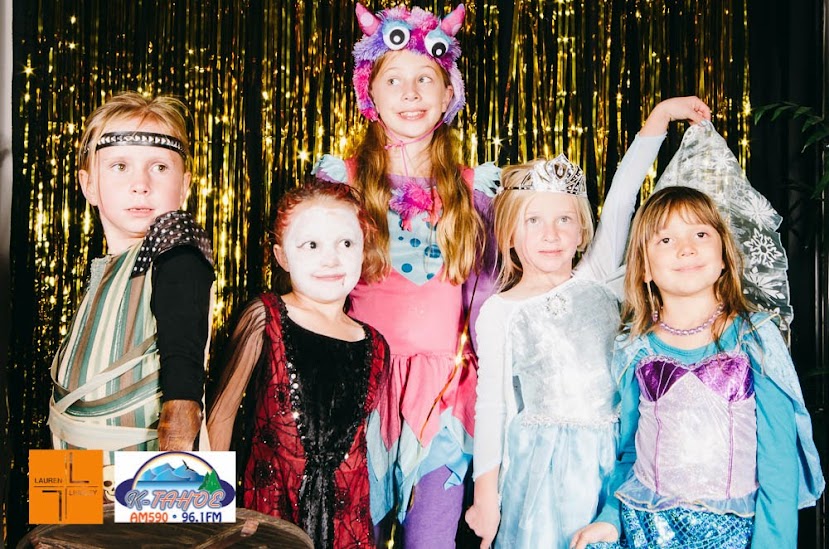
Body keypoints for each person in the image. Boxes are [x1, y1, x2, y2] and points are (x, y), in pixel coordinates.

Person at [465, 97, 713, 549]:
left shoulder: (596, 278)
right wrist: (486, 497)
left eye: (564, 220)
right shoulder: (500, 311)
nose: (551, 234)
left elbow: (621, 198)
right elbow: (492, 407)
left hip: (617, 455)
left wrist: (658, 119)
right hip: (543, 465)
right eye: (533, 221)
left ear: (582, 231)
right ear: (510, 234)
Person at [312, 3, 501, 546]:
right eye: (394, 79)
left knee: (432, 538)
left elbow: (486, 301)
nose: (411, 93)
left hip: (444, 395)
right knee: (355, 533)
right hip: (359, 388)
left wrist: (497, 394)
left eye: (426, 79)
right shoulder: (342, 185)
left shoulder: (474, 192)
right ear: (369, 93)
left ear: (449, 94)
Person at [570, 185, 825, 548]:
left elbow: (779, 461)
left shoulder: (753, 338)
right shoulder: (635, 347)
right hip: (647, 531)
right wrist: (610, 518)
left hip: (734, 535)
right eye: (666, 240)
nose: (686, 248)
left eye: (700, 234)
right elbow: (630, 452)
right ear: (644, 267)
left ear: (724, 256)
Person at [48, 92, 215, 499]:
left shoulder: (176, 247)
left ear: (184, 185)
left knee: (151, 537)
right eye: (120, 166)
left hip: (153, 465)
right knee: (69, 534)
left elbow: (183, 338)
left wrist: (181, 412)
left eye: (159, 167)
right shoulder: (107, 268)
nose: (141, 185)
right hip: (72, 458)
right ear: (89, 185)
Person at [207, 181, 390, 549]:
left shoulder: (375, 345)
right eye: (312, 245)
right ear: (283, 256)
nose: (331, 259)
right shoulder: (265, 318)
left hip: (345, 526)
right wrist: (214, 514)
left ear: (364, 250)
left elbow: (361, 450)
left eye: (346, 243)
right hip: (271, 517)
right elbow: (221, 416)